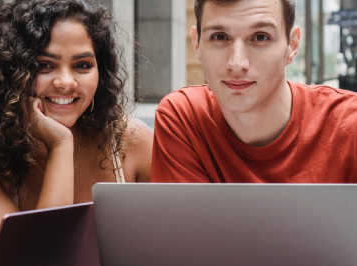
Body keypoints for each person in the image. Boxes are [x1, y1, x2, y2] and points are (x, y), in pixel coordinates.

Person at [0, 0, 152, 266]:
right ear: (10, 72)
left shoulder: (130, 142)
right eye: (44, 65)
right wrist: (60, 145)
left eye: (83, 65)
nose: (66, 82)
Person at [152, 0, 357, 183]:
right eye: (219, 36)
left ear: (292, 46)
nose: (237, 63)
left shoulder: (349, 124)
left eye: (260, 37)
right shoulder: (184, 118)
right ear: (197, 44)